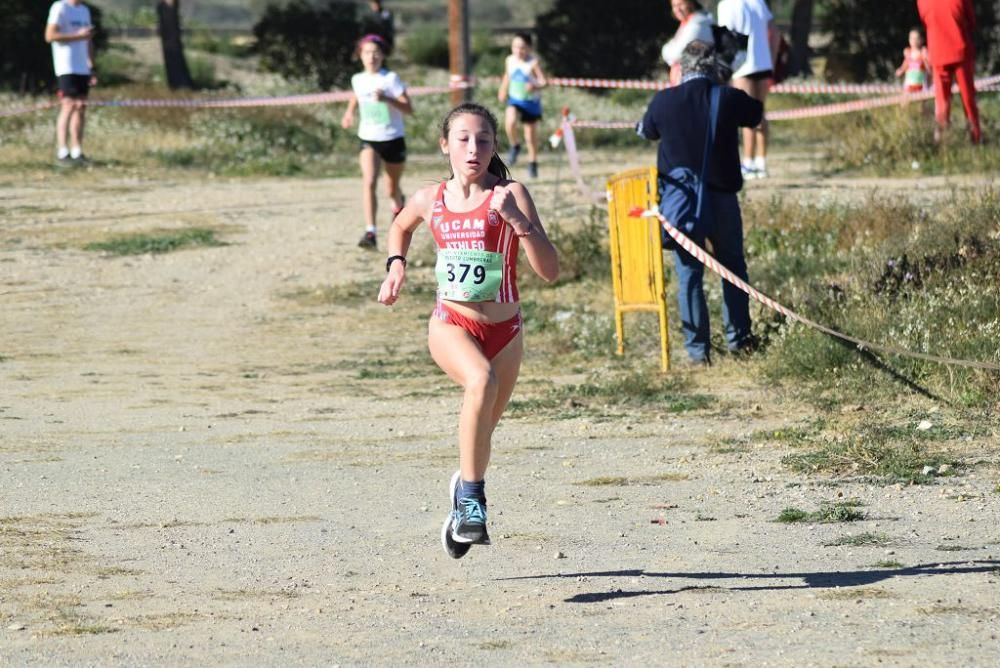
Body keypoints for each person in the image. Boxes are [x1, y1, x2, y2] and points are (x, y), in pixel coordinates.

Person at [377, 103, 559, 559]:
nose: (473, 148)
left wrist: (519, 224)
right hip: (451, 323)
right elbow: (400, 225)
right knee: (480, 381)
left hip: (506, 332)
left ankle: (462, 494)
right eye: (462, 139)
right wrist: (395, 265)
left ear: (495, 145)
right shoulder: (429, 197)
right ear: (445, 146)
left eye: (483, 140)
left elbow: (550, 270)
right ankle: (473, 500)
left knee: (482, 434)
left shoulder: (512, 192)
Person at [637, 40, 762, 365]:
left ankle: (697, 352)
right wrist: (728, 80)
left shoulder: (663, 100)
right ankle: (740, 341)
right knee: (733, 268)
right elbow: (756, 114)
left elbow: (647, 132)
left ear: (681, 68)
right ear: (713, 68)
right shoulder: (726, 96)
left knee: (689, 274)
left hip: (681, 203)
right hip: (722, 199)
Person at [341, 34, 412, 250]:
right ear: (360, 56)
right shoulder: (358, 79)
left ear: (382, 55)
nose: (371, 56)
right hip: (368, 138)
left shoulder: (390, 79)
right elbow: (356, 95)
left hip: (393, 138)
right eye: (367, 52)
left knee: (392, 188)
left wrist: (387, 99)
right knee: (369, 181)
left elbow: (409, 108)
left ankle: (398, 204)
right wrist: (349, 113)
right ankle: (370, 232)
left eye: (376, 52)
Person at [716, 0, 778, 179]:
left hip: (743, 66)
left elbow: (727, 38)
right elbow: (774, 32)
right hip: (763, 64)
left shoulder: (727, 5)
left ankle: (748, 162)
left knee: (746, 115)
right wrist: (771, 61)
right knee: (760, 113)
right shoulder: (758, 2)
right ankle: (761, 162)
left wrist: (725, 70)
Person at [917, 0, 981, 144]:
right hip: (961, 50)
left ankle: (942, 138)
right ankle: (975, 136)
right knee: (968, 98)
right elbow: (971, 21)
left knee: (941, 100)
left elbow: (925, 21)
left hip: (937, 51)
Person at [45, 0, 96, 163]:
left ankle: (77, 151)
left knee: (80, 108)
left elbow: (88, 40)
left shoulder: (84, 10)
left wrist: (91, 67)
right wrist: (78, 36)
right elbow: (50, 35)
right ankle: (62, 151)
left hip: (82, 68)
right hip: (66, 66)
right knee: (68, 106)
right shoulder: (60, 7)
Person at [498, 32, 547, 179]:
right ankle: (515, 145)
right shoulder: (510, 60)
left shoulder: (533, 63)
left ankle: (533, 163)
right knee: (510, 121)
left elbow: (544, 81)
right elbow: (508, 76)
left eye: (522, 47)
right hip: (514, 99)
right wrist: (502, 89)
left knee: (530, 136)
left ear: (529, 48)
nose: (518, 51)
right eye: (515, 47)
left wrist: (535, 85)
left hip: (530, 102)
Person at [661, 0, 715, 86]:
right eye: (674, 6)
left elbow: (677, 54)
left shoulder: (697, 25)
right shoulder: (687, 24)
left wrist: (666, 50)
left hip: (695, 83)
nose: (677, 9)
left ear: (691, 3)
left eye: (680, 4)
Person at [895, 28, 931, 93]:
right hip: (908, 86)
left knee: (919, 102)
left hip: (921, 87)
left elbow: (929, 70)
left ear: (922, 40)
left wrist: (925, 58)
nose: (914, 41)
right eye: (911, 38)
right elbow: (905, 65)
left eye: (916, 38)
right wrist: (901, 70)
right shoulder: (908, 53)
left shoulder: (924, 53)